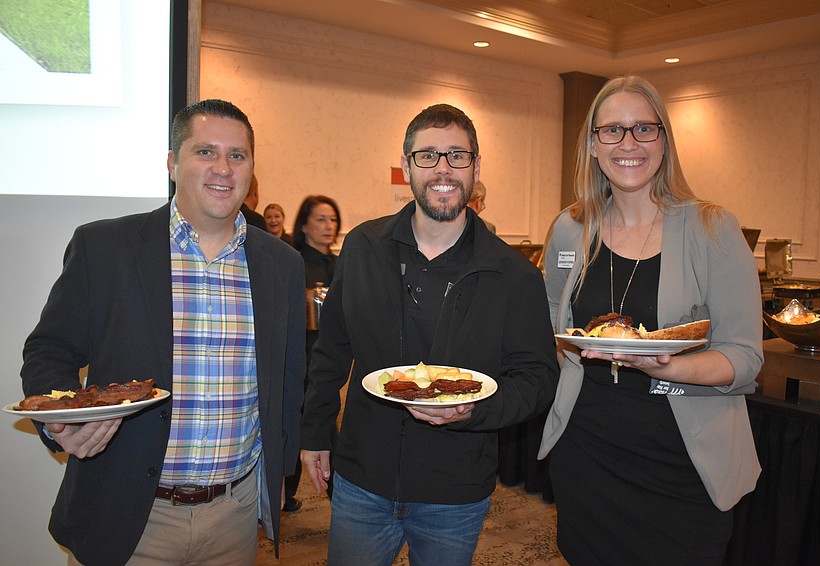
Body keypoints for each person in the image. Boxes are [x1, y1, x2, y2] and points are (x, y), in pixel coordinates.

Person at [20, 99, 306, 566]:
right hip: (129, 514)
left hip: (234, 516)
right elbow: (49, 349)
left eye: (237, 155)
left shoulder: (282, 264)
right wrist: (62, 419)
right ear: (173, 163)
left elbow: (289, 384)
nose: (223, 168)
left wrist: (278, 477)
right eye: (205, 151)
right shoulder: (105, 246)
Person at [300, 103, 558, 565]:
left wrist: (474, 410)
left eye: (457, 155)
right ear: (407, 167)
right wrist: (315, 431)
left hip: (455, 490)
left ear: (475, 166)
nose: (443, 168)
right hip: (363, 478)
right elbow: (331, 350)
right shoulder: (363, 247)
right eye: (428, 155)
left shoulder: (514, 275)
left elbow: (537, 380)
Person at [538, 75, 763, 566]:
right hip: (588, 453)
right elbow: (553, 321)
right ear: (592, 144)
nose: (629, 143)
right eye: (612, 130)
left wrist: (667, 366)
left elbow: (745, 356)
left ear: (664, 140)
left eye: (644, 128)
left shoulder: (713, 228)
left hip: (681, 463)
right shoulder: (569, 229)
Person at [283, 194, 343, 510]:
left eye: (332, 219)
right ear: (304, 225)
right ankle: (339, 499)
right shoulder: (293, 262)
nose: (328, 225)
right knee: (305, 428)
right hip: (299, 361)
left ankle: (288, 493)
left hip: (328, 361)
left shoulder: (340, 264)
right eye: (321, 219)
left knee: (315, 425)